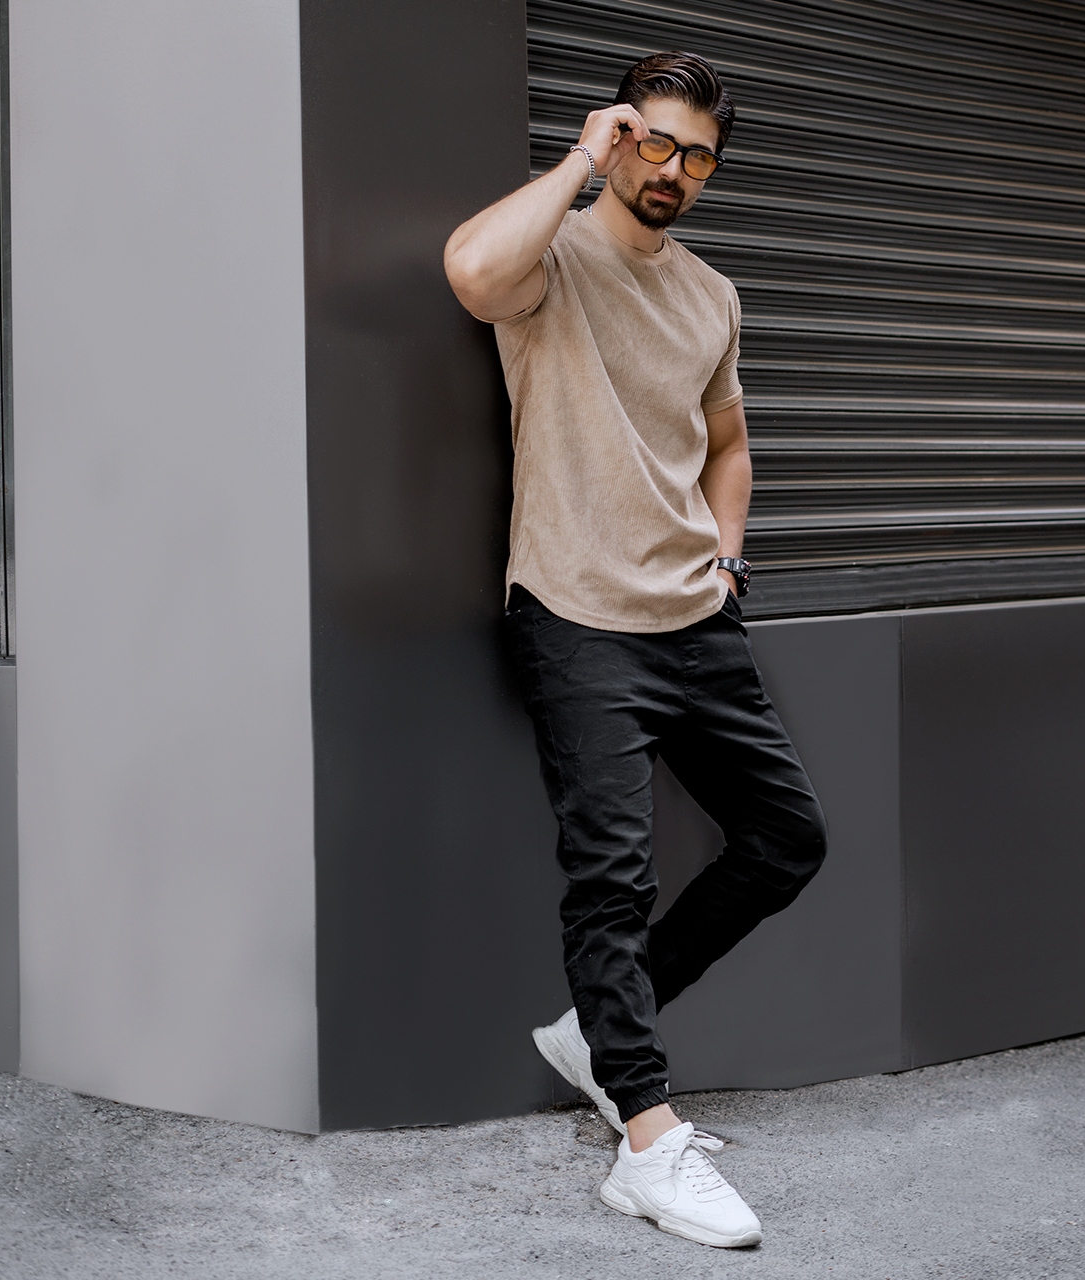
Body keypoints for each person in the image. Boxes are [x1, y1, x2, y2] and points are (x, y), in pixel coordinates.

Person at [444, 50, 827, 1249]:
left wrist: (726, 559)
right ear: (619, 137)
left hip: (694, 617)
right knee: (610, 876)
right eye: (654, 142)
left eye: (696, 156)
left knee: (786, 837)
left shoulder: (710, 294)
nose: (672, 169)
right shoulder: (553, 255)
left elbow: (728, 442)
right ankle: (647, 1144)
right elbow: (469, 272)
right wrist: (574, 160)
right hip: (574, 612)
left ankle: (596, 1033)